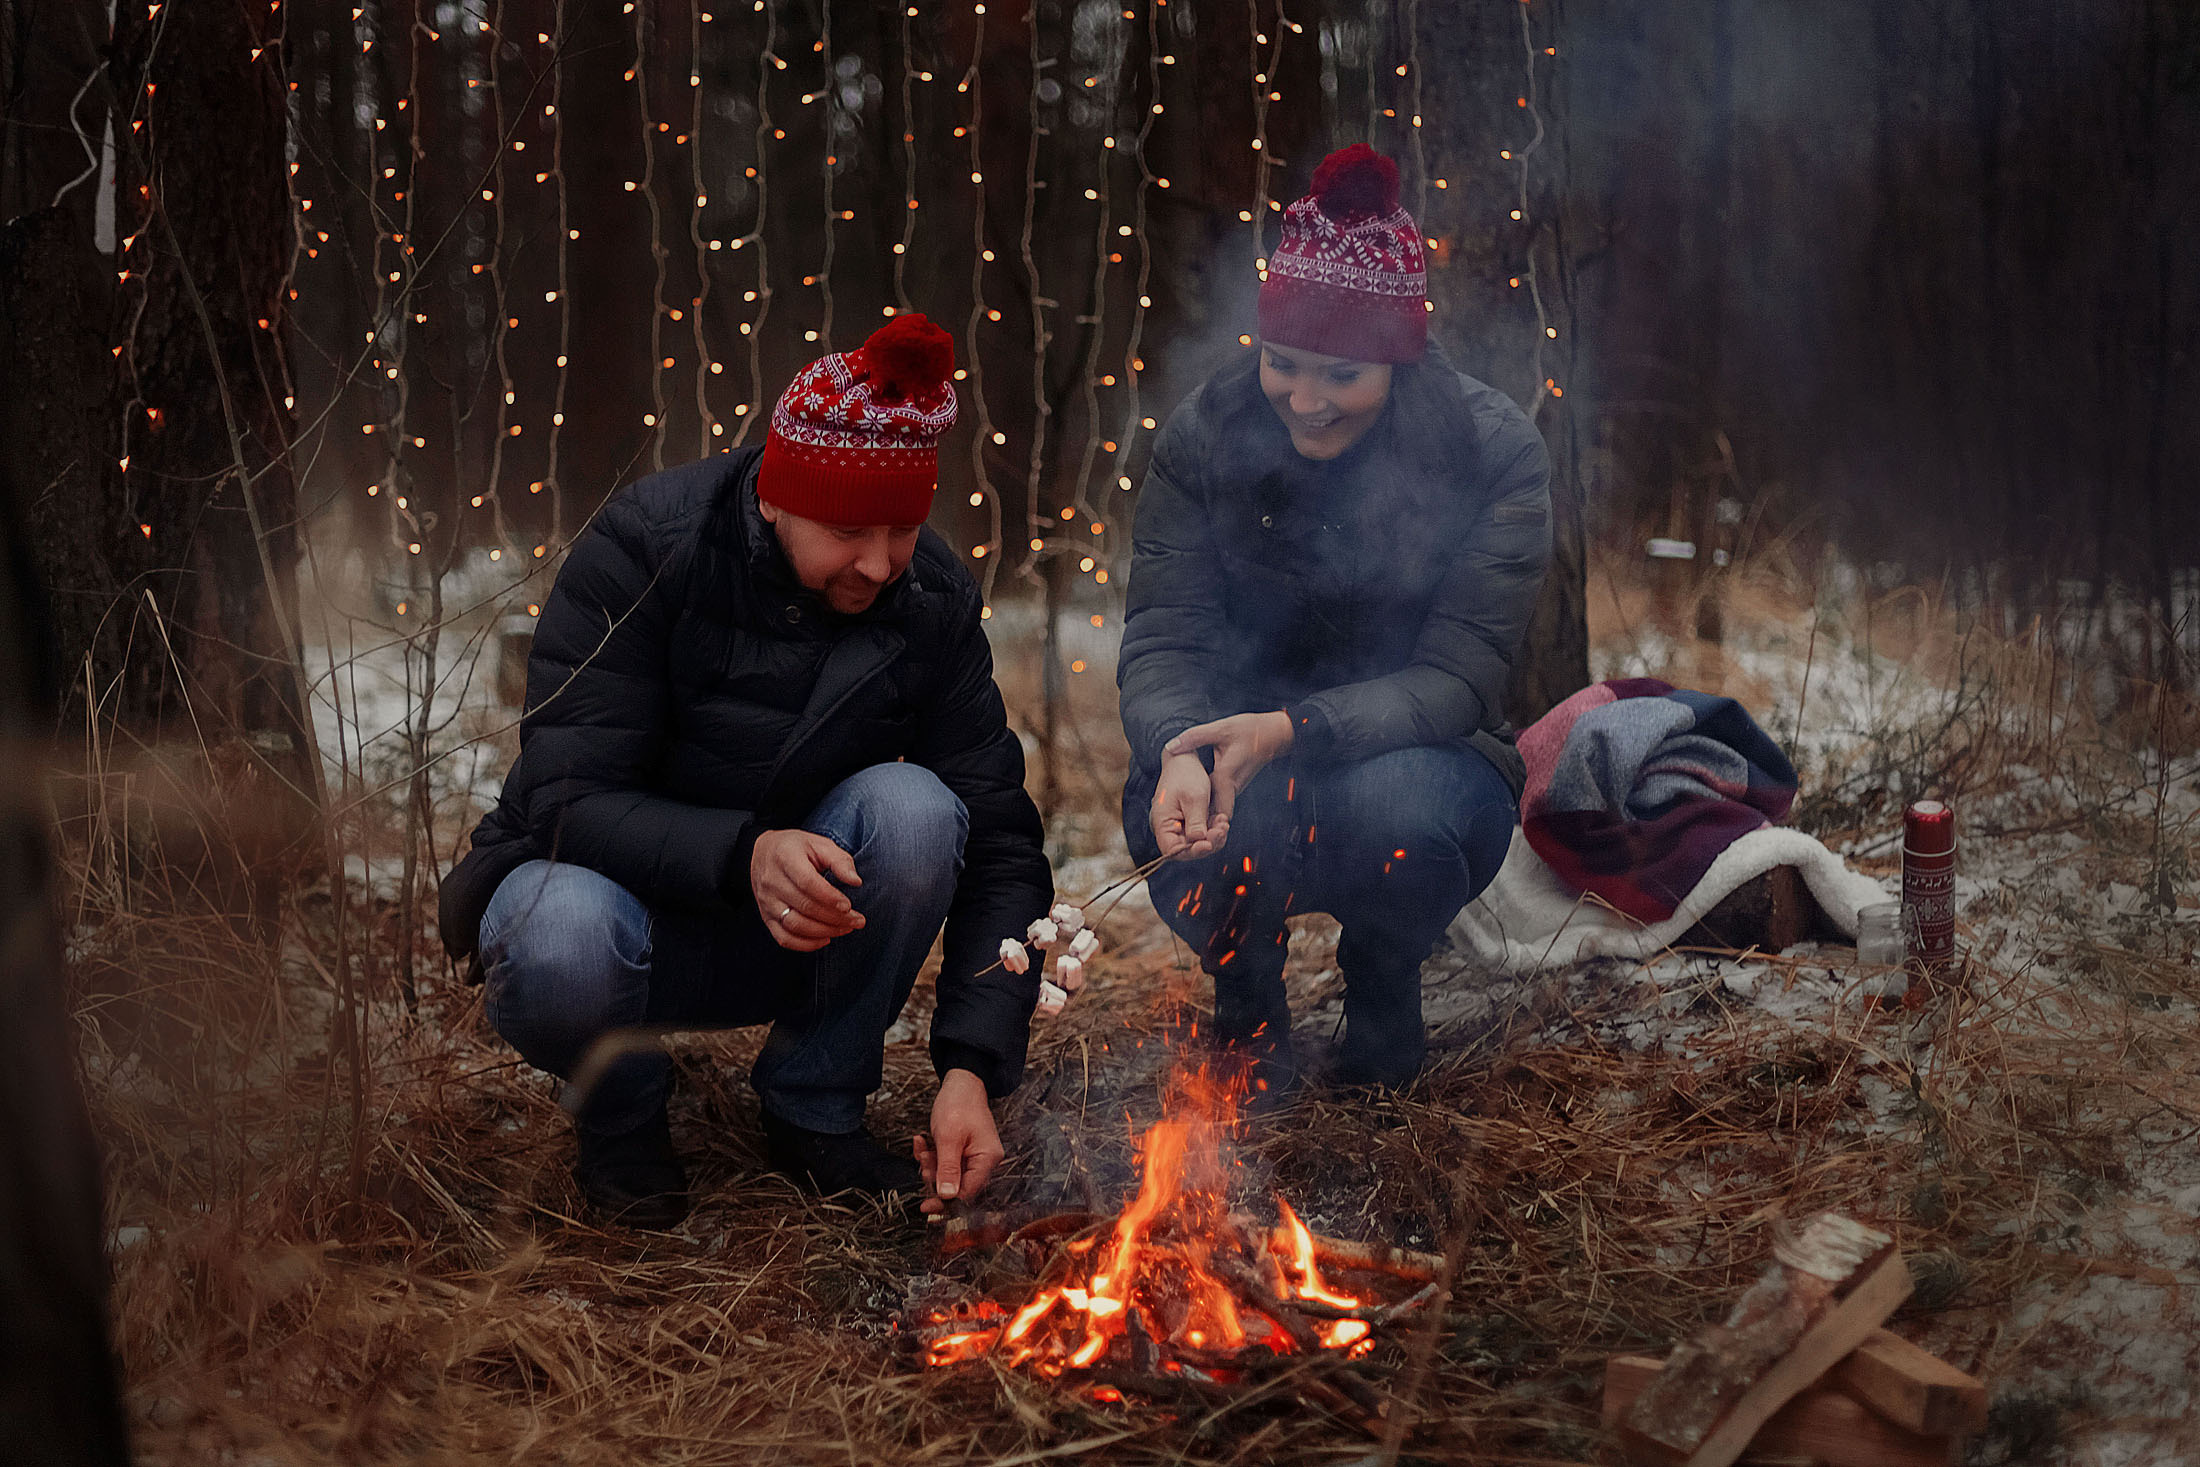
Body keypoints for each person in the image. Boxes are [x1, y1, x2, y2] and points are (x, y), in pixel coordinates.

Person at [441, 316, 1051, 1228]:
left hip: (796, 936)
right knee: (556, 931)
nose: (880, 563)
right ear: (775, 495)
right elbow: (565, 792)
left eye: (903, 527)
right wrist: (745, 852)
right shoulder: (648, 548)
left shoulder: (929, 596)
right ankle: (624, 1110)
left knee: (917, 810)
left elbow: (999, 837)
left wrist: (972, 1069)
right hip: (616, 916)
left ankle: (814, 1107)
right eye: (848, 529)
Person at [1117, 144, 1553, 1097]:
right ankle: (1246, 1004)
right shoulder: (1204, 435)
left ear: (1397, 360)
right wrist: (1177, 749)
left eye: (1342, 376)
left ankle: (1385, 984)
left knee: (1403, 818)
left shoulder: (1492, 453)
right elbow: (1164, 637)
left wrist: (1294, 729)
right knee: (1200, 827)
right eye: (1283, 365)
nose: (1304, 402)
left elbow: (1461, 675)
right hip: (1232, 757)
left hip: (1418, 760)